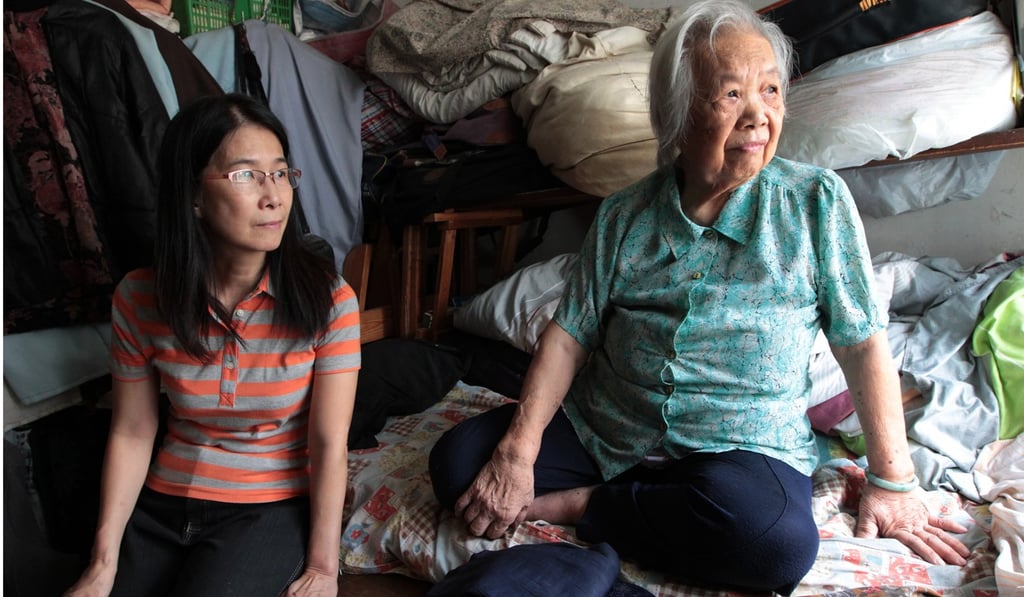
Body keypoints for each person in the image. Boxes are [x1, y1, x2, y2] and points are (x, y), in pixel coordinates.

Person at [428, 1, 970, 593]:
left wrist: (893, 481)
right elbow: (570, 336)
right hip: (609, 428)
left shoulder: (815, 203)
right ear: (679, 112)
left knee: (774, 547)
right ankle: (653, 502)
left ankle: (591, 507)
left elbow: (861, 343)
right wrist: (517, 452)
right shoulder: (623, 215)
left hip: (742, 444)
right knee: (457, 466)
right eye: (732, 94)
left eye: (770, 91)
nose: (759, 115)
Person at [64, 93, 361, 597]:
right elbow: (134, 430)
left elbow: (328, 444)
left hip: (267, 506)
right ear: (194, 196)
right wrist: (101, 562)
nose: (274, 195)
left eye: (281, 172)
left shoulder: (329, 300)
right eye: (245, 175)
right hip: (162, 503)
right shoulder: (140, 297)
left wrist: (323, 568)